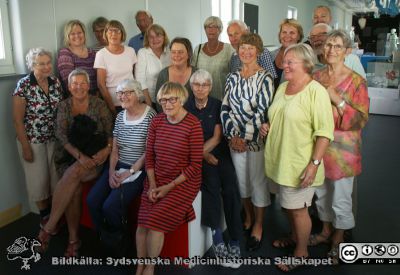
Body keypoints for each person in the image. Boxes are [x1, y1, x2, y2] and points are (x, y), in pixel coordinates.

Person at [264, 43, 334, 272]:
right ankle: (294, 236)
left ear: (306, 64)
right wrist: (267, 126)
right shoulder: (283, 87)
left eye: (290, 61)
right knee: (286, 205)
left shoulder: (317, 92)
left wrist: (314, 165)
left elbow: (324, 133)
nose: (284, 65)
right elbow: (278, 115)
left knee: (298, 209)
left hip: (300, 163)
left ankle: (301, 252)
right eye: (284, 61)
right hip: (279, 161)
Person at [37, 69, 113, 257]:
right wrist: (79, 156)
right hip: (69, 156)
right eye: (74, 84)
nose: (79, 87)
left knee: (75, 173)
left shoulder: (99, 104)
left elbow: (112, 132)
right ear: (69, 87)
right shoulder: (63, 106)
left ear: (88, 85)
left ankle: (49, 228)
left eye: (82, 83)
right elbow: (62, 137)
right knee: (75, 185)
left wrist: (106, 150)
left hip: (97, 156)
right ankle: (73, 240)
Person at [311, 30, 369, 264]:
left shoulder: (357, 81)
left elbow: (361, 119)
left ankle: (338, 239)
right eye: (328, 45)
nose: (331, 50)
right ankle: (325, 231)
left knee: (341, 198)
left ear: (347, 51)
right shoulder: (316, 76)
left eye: (337, 46)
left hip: (344, 150)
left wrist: (338, 99)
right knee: (321, 193)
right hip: (318, 146)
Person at [135, 82, 203, 275]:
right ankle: (140, 264)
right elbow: (149, 156)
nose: (167, 103)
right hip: (156, 178)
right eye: (163, 99)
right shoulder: (156, 121)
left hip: (182, 182)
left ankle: (150, 266)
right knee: (142, 223)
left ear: (181, 100)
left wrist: (168, 188)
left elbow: (195, 165)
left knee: (154, 221)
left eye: (172, 99)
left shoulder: (193, 124)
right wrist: (153, 185)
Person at [221, 33, 274, 251]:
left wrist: (244, 137)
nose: (246, 51)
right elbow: (225, 107)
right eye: (242, 47)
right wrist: (232, 135)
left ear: (259, 52)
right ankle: (249, 217)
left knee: (257, 183)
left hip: (255, 141)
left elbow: (262, 110)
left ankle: (259, 225)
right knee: (241, 183)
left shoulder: (266, 78)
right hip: (234, 141)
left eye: (251, 48)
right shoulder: (232, 77)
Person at [185, 69, 242, 268]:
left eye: (205, 85)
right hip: (197, 157)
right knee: (210, 185)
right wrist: (203, 155)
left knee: (231, 188)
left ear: (210, 87)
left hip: (219, 153)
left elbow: (218, 137)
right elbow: (185, 139)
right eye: (197, 85)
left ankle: (234, 238)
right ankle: (217, 236)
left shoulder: (218, 104)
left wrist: (207, 153)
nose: (200, 89)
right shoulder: (186, 107)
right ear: (191, 87)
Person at [87, 79, 156, 235]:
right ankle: (105, 238)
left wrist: (129, 172)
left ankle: (120, 245)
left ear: (138, 94)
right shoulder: (119, 117)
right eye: (120, 93)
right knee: (92, 200)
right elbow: (115, 149)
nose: (122, 96)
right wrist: (111, 172)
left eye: (127, 92)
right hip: (117, 165)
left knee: (110, 206)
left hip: (138, 170)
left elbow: (149, 151)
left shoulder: (150, 115)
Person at [13, 47, 64, 229]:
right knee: (38, 181)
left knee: (54, 179)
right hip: (32, 141)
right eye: (41, 63)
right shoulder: (24, 85)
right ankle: (45, 218)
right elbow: (17, 120)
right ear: (32, 65)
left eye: (48, 63)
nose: (46, 66)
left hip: (54, 139)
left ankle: (55, 214)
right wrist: (25, 147)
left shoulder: (55, 82)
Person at [94, 20, 137, 115]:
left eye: (117, 31)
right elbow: (101, 84)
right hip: (114, 104)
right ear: (106, 33)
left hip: (132, 101)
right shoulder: (101, 54)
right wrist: (111, 107)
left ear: (122, 34)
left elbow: (134, 77)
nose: (114, 34)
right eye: (110, 31)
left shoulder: (131, 51)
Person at [192, 16, 235, 100]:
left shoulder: (228, 49)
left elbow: (234, 74)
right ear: (205, 30)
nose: (211, 30)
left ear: (220, 30)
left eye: (215, 27)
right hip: (201, 97)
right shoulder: (198, 49)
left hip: (222, 98)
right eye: (208, 27)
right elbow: (193, 73)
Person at [57, 20, 97, 95]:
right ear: (67, 36)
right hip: (76, 97)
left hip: (95, 96)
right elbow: (68, 83)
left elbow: (98, 77)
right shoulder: (65, 53)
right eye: (72, 34)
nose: (77, 36)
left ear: (84, 34)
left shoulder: (92, 53)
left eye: (79, 33)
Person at [135, 24, 170, 107]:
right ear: (147, 39)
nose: (155, 39)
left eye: (158, 35)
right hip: (151, 99)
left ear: (164, 37)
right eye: (151, 37)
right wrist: (149, 104)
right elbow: (140, 81)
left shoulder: (170, 52)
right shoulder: (142, 53)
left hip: (169, 98)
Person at [155, 37, 196, 102]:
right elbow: (159, 102)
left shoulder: (196, 74)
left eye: (180, 52)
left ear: (188, 54)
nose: (176, 55)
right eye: (173, 52)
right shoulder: (163, 74)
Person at [270, 18, 304, 89]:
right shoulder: (270, 55)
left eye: (292, 33)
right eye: (284, 32)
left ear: (299, 36)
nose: (287, 36)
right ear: (280, 35)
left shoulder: (303, 58)